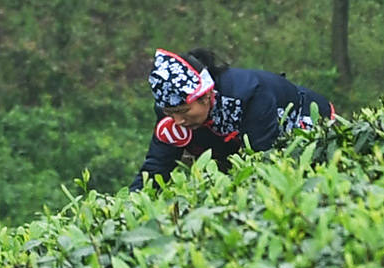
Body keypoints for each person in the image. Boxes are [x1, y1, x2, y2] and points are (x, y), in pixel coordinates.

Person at [139, 48, 327, 182]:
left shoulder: (248, 95)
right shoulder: (171, 116)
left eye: (183, 111)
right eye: (170, 113)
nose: (178, 121)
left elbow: (263, 160)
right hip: (231, 140)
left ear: (205, 97)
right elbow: (157, 164)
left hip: (301, 120)